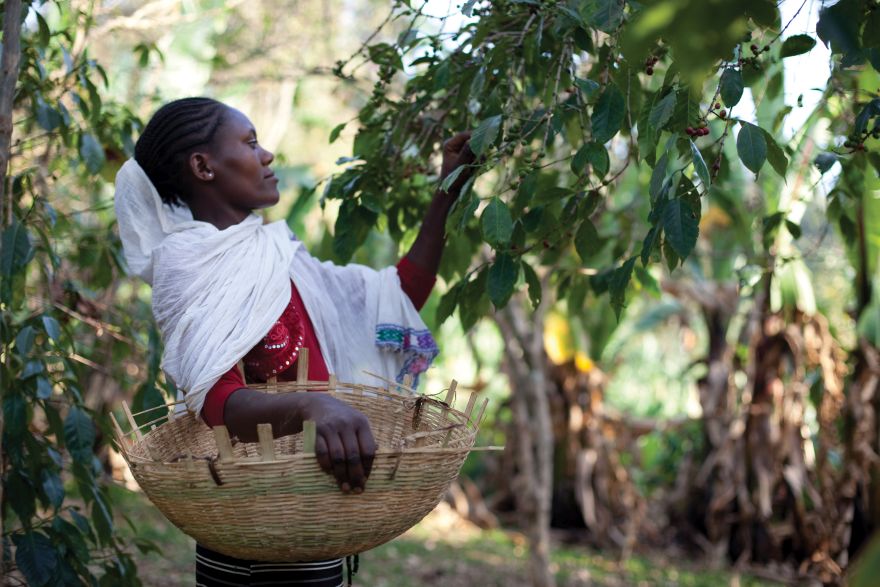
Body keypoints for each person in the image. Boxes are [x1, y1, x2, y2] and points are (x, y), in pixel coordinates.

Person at [114, 97, 475, 586]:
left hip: (319, 517)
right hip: (250, 534)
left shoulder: (278, 256)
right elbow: (214, 401)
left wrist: (446, 189)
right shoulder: (189, 264)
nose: (266, 156)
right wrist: (312, 408)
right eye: (249, 142)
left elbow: (401, 290)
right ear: (203, 166)